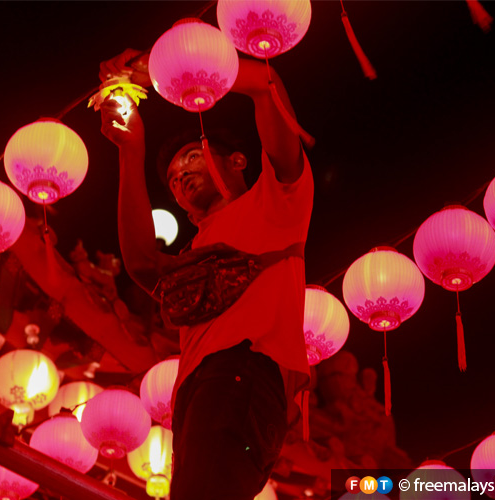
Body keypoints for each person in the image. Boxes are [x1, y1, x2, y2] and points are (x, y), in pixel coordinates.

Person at [99, 48, 314, 500]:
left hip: (244, 370)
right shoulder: (194, 254)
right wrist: (129, 151)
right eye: (173, 180)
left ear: (237, 161)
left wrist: (171, 65)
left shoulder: (278, 201)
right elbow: (142, 264)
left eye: (191, 159)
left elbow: (267, 85)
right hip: (199, 391)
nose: (180, 177)